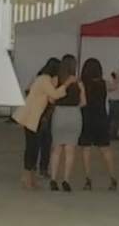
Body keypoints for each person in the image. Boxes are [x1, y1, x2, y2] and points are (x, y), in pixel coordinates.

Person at [14, 58, 65, 190]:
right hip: (32, 117)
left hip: (35, 117)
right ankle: (26, 176)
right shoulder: (44, 79)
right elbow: (54, 94)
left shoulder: (45, 79)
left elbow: (51, 99)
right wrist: (66, 85)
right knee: (32, 147)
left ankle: (30, 176)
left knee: (34, 147)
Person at [78, 58, 118, 191]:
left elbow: (82, 102)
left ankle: (88, 179)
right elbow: (116, 86)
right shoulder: (104, 84)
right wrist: (116, 77)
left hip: (86, 118)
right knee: (105, 149)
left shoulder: (82, 84)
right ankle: (113, 178)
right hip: (101, 118)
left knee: (86, 149)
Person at [49, 55, 84, 192]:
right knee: (70, 150)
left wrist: (65, 85)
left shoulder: (55, 80)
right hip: (74, 114)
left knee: (56, 149)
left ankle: (53, 179)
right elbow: (84, 102)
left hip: (59, 114)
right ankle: (66, 180)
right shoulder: (79, 82)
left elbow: (52, 99)